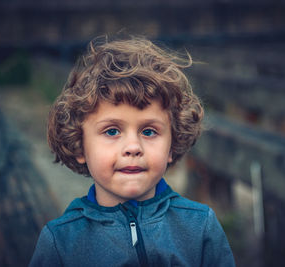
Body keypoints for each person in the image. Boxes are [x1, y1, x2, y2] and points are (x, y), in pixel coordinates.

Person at [29, 36, 235, 267]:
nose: (133, 147)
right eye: (112, 131)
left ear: (172, 144)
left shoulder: (200, 227)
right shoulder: (61, 242)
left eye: (148, 132)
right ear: (80, 145)